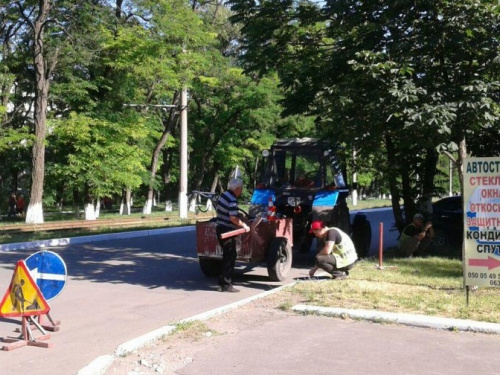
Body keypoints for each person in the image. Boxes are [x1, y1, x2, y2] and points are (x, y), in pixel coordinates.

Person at [215, 178, 250, 292]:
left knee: (227, 255)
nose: (241, 191)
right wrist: (244, 225)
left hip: (220, 227)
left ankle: (222, 279)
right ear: (238, 188)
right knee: (230, 256)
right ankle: (226, 284)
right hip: (227, 230)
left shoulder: (223, 195)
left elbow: (224, 211)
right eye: (241, 189)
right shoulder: (232, 199)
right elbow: (233, 218)